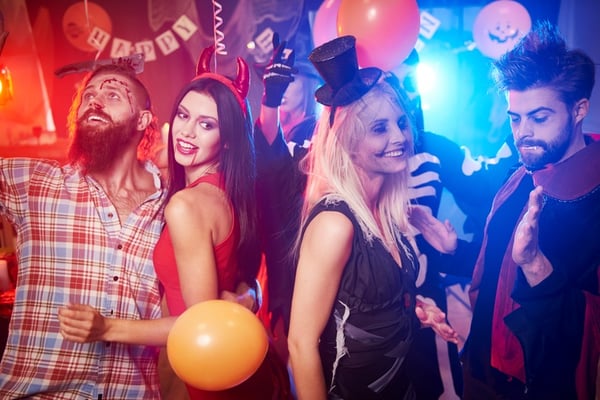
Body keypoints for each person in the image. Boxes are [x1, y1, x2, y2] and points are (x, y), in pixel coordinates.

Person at [57, 45, 292, 400]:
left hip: (205, 375)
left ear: (227, 140)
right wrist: (250, 296)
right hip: (233, 365)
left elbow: (199, 327)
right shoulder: (230, 193)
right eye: (183, 116)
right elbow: (242, 277)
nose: (186, 132)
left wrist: (106, 327)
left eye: (206, 124)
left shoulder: (186, 206)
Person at [287, 35, 459, 400]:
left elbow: (366, 304)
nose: (399, 136)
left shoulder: (387, 211)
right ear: (348, 141)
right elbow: (301, 344)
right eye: (379, 128)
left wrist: (417, 309)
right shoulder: (336, 223)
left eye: (401, 122)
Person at [0, 62, 167, 398]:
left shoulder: (173, 203)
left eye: (113, 94)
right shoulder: (35, 182)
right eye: (89, 94)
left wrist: (247, 292)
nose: (95, 100)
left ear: (143, 121)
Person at [461, 21, 600, 399]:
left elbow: (588, 332)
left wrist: (536, 263)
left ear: (579, 109)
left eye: (539, 118)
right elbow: (493, 278)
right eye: (515, 117)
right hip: (481, 377)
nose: (523, 132)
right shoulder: (519, 177)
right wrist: (454, 250)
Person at [393, 49, 520, 399]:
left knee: (437, 383)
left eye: (411, 82)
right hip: (367, 304)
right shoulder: (342, 154)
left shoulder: (432, 145)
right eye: (396, 83)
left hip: (426, 290)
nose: (408, 94)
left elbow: (485, 183)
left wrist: (523, 126)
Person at [253, 32, 321, 360]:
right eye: (279, 80)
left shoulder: (319, 132)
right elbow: (270, 166)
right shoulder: (271, 133)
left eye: (292, 79)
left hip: (323, 268)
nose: (286, 86)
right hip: (284, 274)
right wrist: (271, 99)